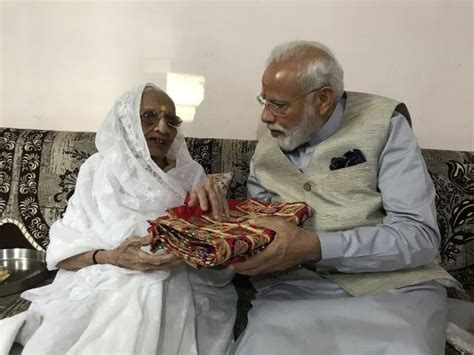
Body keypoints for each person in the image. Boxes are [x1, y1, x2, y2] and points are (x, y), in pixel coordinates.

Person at [230, 41, 458, 355]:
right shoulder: (265, 150)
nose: (266, 116)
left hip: (396, 287)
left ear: (323, 99)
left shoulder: (386, 125)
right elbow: (265, 233)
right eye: (264, 101)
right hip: (297, 289)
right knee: (262, 346)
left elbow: (419, 236)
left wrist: (315, 246)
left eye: (278, 104)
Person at [0, 84, 236, 355]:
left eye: (171, 121)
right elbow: (63, 251)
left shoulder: (190, 174)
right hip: (106, 271)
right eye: (149, 117)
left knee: (153, 284)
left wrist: (207, 208)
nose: (163, 128)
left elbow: (214, 240)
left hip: (177, 275)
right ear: (126, 122)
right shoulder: (98, 169)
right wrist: (114, 257)